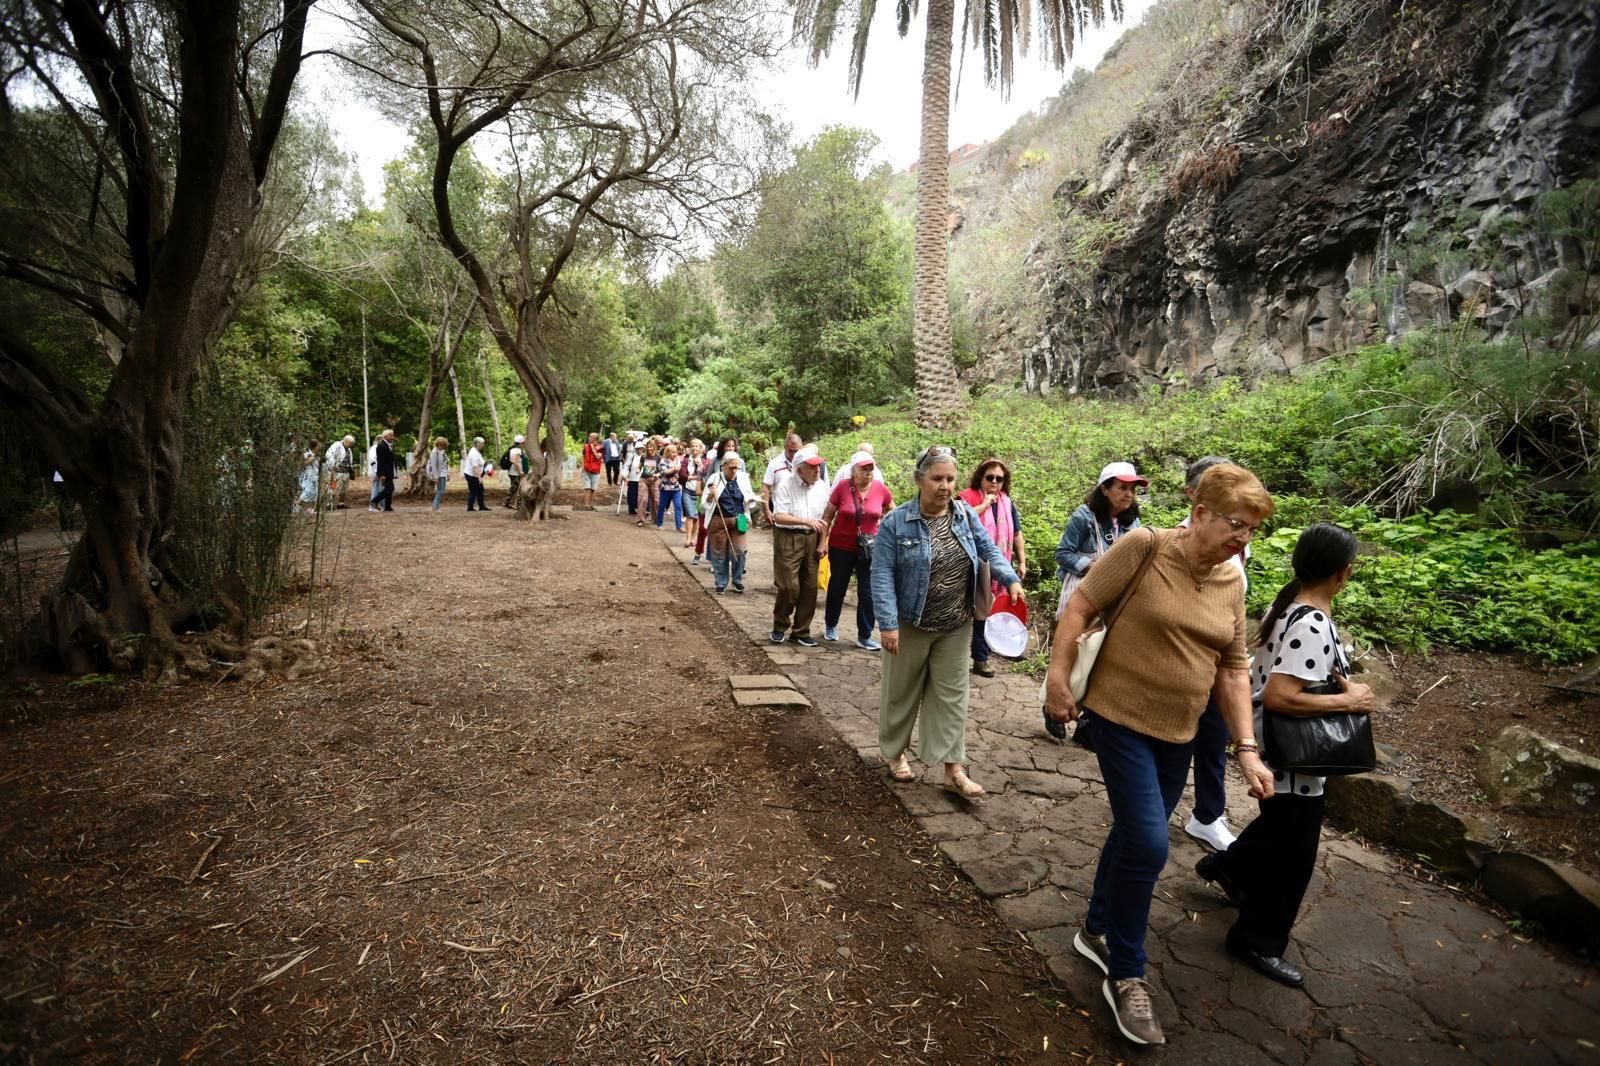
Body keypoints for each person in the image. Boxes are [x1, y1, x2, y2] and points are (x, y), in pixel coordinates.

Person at [1043, 463, 1276, 1047]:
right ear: (1199, 513)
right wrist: (1057, 678)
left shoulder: (1232, 580)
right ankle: (1126, 971)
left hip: (1182, 732)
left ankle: (1095, 929)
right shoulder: (1144, 546)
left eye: (1251, 530)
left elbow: (1233, 665)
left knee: (1131, 835)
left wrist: (1246, 748)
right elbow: (1079, 608)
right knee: (1149, 842)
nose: (1242, 538)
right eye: (1235, 524)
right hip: (1121, 718)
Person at [1198, 523, 1371, 989]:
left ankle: (1227, 867)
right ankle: (1257, 939)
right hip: (1294, 757)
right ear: (1343, 573)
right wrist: (1350, 701)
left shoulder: (1288, 605)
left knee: (1279, 828)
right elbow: (1281, 696)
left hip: (1275, 749)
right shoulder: (1312, 621)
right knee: (1293, 856)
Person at [870, 446, 1025, 798]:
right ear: (919, 479)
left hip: (956, 622)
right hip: (911, 622)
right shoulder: (896, 522)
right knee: (901, 691)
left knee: (953, 696)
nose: (944, 486)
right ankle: (895, 754)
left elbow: (989, 550)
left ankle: (952, 768)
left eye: (950, 479)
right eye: (937, 478)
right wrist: (889, 623)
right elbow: (881, 574)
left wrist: (1011, 578)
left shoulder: (965, 515)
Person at [1178, 455, 1252, 852]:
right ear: (1194, 498)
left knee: (1213, 735)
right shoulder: (1168, 545)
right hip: (1180, 666)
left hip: (1217, 661)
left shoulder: (1237, 545)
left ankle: (1207, 814)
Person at [1047, 461, 1147, 741]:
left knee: (1100, 656)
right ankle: (1052, 701)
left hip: (1115, 595)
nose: (1128, 495)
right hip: (1084, 590)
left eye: (1132, 489)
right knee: (1072, 650)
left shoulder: (1132, 521)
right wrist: (1097, 566)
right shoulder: (1083, 517)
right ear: (1104, 489)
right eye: (1122, 488)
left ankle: (1086, 722)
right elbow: (1063, 554)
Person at [958, 458, 1028, 678]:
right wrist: (985, 504)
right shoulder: (967, 497)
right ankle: (977, 658)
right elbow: (961, 520)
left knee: (996, 609)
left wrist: (1022, 561)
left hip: (1000, 563)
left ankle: (987, 652)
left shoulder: (1007, 502)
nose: (995, 482)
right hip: (972, 564)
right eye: (990, 477)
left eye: (1000, 478)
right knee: (979, 610)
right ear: (981, 477)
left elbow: (1016, 533)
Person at [818, 450, 893, 650]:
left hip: (869, 548)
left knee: (868, 591)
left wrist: (884, 533)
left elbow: (892, 512)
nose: (869, 472)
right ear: (854, 470)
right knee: (837, 586)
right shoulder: (842, 487)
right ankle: (831, 624)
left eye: (871, 468)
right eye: (864, 468)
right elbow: (827, 515)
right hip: (841, 546)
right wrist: (822, 542)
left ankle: (865, 634)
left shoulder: (881, 489)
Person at [768, 445, 830, 646]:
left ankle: (801, 631)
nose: (817, 471)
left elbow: (826, 518)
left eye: (818, 467)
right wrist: (805, 521)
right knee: (788, 586)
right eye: (812, 467)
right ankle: (780, 626)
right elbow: (778, 515)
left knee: (809, 586)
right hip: (788, 537)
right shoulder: (786, 484)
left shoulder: (821, 486)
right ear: (800, 469)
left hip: (813, 538)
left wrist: (822, 542)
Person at [702, 451, 756, 594]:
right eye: (731, 467)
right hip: (718, 520)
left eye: (736, 468)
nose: (734, 471)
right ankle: (721, 582)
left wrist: (753, 499)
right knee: (719, 553)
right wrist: (710, 496)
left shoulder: (743, 478)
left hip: (739, 519)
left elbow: (749, 499)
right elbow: (704, 503)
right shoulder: (714, 479)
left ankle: (737, 580)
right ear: (723, 466)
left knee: (740, 551)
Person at [760, 430, 804, 512]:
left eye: (797, 451)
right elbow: (765, 487)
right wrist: (766, 511)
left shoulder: (805, 463)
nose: (794, 454)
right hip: (781, 511)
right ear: (785, 447)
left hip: (801, 511)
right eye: (791, 451)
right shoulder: (774, 464)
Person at [682, 438, 706, 560]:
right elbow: (682, 475)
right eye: (693, 446)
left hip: (699, 493)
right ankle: (688, 538)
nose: (695, 448)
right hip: (687, 491)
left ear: (701, 448)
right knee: (690, 515)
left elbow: (705, 476)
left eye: (697, 446)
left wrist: (700, 466)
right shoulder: (686, 461)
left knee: (696, 516)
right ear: (690, 448)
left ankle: (694, 538)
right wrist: (692, 477)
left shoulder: (705, 461)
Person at [656, 442, 685, 531]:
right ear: (667, 452)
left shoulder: (677, 460)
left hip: (675, 488)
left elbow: (680, 470)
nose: (675, 454)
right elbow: (664, 472)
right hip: (665, 487)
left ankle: (679, 526)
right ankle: (659, 524)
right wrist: (673, 469)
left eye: (675, 452)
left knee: (678, 506)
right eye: (672, 452)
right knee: (662, 506)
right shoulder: (663, 460)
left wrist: (675, 470)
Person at [635, 439, 663, 528]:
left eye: (651, 447)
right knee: (642, 499)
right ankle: (640, 519)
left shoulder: (658, 457)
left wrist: (658, 475)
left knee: (656, 500)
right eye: (648, 447)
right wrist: (638, 469)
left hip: (654, 480)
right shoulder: (643, 456)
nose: (649, 448)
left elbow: (662, 470)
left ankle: (656, 519)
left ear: (654, 447)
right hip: (644, 479)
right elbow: (640, 466)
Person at [325, 435, 355, 508]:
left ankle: (341, 504)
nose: (351, 445)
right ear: (346, 441)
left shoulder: (348, 449)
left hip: (346, 471)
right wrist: (333, 464)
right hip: (337, 472)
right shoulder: (337, 445)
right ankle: (329, 504)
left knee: (344, 489)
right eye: (350, 443)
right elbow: (328, 454)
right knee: (334, 487)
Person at [372, 428, 397, 512]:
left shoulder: (389, 445)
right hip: (384, 472)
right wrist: (381, 474)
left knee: (389, 488)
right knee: (390, 488)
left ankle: (387, 506)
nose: (392, 437)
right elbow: (380, 461)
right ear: (385, 436)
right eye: (391, 435)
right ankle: (374, 501)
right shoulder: (381, 446)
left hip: (389, 471)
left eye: (393, 435)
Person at [425, 437, 451, 511]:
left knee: (442, 491)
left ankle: (436, 506)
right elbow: (433, 466)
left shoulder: (442, 451)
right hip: (439, 475)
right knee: (440, 491)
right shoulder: (434, 452)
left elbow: (445, 464)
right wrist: (435, 477)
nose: (442, 446)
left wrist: (448, 473)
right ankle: (435, 507)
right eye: (441, 445)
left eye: (443, 445)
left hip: (443, 473)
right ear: (438, 444)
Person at [463, 436, 487, 511]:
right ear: (477, 444)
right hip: (472, 475)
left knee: (480, 490)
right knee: (474, 490)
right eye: (482, 443)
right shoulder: (474, 453)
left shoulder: (475, 451)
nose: (483, 445)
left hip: (473, 474)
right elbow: (475, 468)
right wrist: (479, 477)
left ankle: (482, 506)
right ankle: (470, 507)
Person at [582, 432, 604, 510]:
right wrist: (582, 467)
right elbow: (584, 457)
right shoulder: (585, 446)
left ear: (595, 439)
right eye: (589, 436)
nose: (588, 438)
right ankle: (586, 505)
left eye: (590, 437)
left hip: (595, 471)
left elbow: (598, 457)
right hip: (586, 470)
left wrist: (592, 448)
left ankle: (591, 505)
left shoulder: (601, 447)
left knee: (593, 489)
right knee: (586, 488)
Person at [504, 435, 527, 509]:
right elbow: (514, 461)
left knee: (513, 488)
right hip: (516, 473)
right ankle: (517, 504)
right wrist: (520, 471)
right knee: (519, 489)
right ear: (521, 443)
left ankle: (507, 502)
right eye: (523, 442)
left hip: (512, 472)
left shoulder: (512, 449)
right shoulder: (517, 450)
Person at [623, 434, 643, 516]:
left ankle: (639, 508)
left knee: (640, 495)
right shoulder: (632, 457)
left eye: (640, 449)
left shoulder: (644, 457)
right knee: (631, 495)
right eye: (637, 449)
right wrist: (624, 475)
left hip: (642, 479)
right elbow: (626, 466)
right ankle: (631, 509)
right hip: (632, 479)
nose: (639, 451)